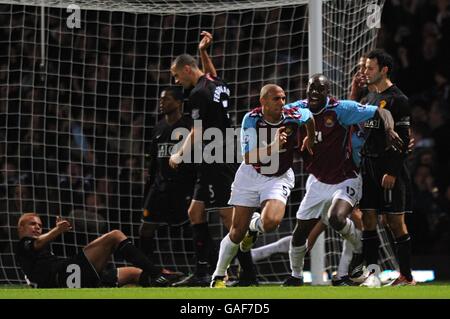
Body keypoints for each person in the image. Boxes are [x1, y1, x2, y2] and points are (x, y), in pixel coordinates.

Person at [282, 73, 402, 287]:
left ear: (328, 93)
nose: (314, 93)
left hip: (346, 177)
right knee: (300, 233)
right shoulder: (297, 108)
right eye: (312, 88)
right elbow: (275, 115)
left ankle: (355, 254)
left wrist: (390, 128)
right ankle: (296, 276)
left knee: (336, 218)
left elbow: (381, 112)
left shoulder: (341, 110)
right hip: (317, 181)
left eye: (320, 89)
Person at [168, 32, 257, 287]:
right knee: (195, 211)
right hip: (220, 152)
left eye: (177, 75)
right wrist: (204, 52)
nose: (176, 80)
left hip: (217, 156)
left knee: (229, 217)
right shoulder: (215, 83)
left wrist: (178, 154)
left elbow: (198, 131)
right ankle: (203, 271)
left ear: (187, 69)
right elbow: (211, 73)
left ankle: (248, 273)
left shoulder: (197, 94)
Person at [210, 84, 316, 288]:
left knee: (271, 222)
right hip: (252, 174)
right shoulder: (251, 119)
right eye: (276, 98)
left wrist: (309, 139)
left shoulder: (293, 114)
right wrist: (274, 146)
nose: (282, 102)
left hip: (278, 176)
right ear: (263, 102)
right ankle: (218, 275)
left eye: (284, 98)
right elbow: (249, 157)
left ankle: (254, 226)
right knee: (236, 232)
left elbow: (309, 118)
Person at [358, 49, 415, 286]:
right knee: (368, 220)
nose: (366, 72)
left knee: (394, 223)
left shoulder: (398, 99)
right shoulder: (368, 98)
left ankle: (406, 276)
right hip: (368, 165)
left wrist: (392, 171)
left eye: (370, 68)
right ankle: (372, 274)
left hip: (388, 168)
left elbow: (403, 139)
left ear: (384, 70)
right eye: (365, 68)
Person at [15, 212, 171, 288]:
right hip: (66, 275)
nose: (37, 227)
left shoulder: (35, 253)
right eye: (32, 224)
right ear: (21, 227)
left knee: (134, 273)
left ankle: (170, 282)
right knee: (115, 236)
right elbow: (37, 244)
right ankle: (158, 273)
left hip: (74, 276)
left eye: (40, 225)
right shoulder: (23, 245)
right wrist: (57, 230)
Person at [139, 86, 194, 280]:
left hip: (182, 188)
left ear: (179, 102)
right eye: (162, 99)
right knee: (145, 228)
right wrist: (149, 183)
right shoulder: (159, 127)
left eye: (167, 99)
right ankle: (147, 272)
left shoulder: (189, 126)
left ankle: (205, 269)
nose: (162, 103)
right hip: (159, 188)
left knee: (192, 229)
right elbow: (153, 161)